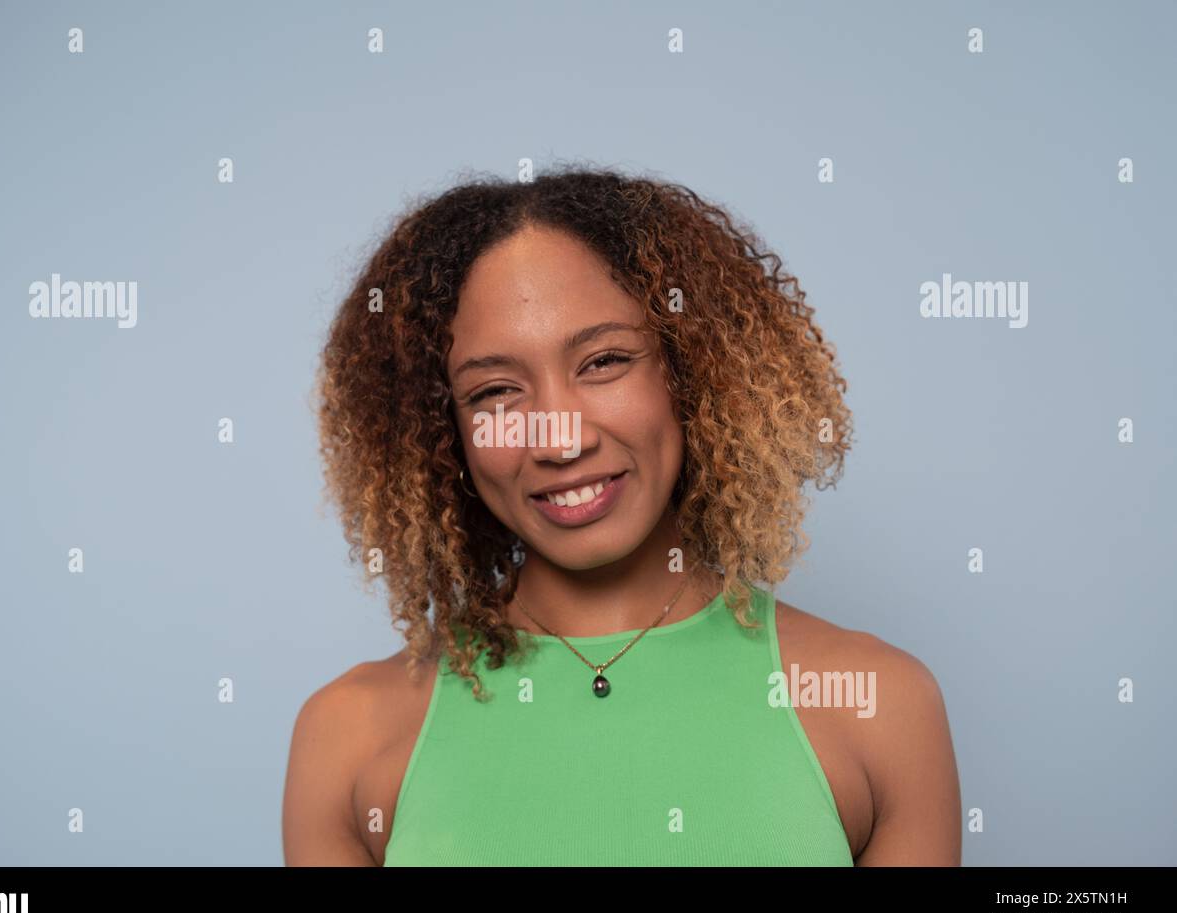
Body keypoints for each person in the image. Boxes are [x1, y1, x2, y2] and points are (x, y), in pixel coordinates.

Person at [283, 166, 961, 866]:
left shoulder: (879, 705)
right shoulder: (348, 738)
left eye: (604, 361)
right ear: (440, 431)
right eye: (494, 391)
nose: (560, 439)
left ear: (693, 373)